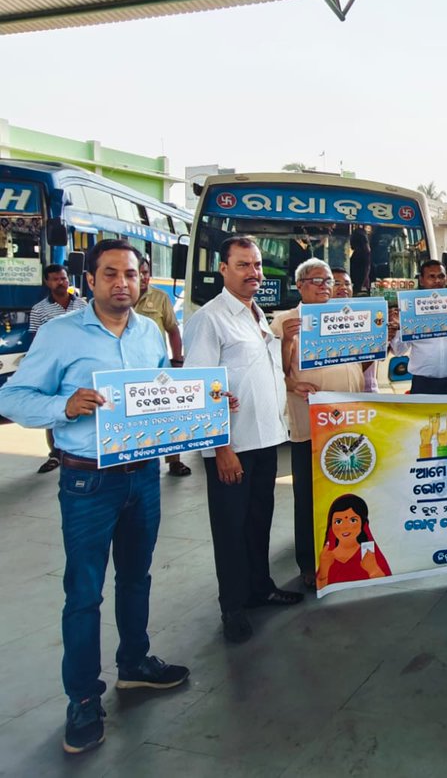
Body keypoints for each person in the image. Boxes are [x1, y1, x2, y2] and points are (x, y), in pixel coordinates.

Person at [0, 239, 189, 755]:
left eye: (130, 274)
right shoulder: (61, 334)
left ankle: (134, 664)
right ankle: (83, 698)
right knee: (83, 593)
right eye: (110, 274)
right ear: (91, 280)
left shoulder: (150, 333)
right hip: (88, 481)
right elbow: (11, 396)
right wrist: (65, 405)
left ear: (141, 280)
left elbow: (160, 396)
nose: (121, 283)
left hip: (143, 474)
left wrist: (206, 406)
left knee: (136, 576)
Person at [183, 236, 300, 645]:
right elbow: (198, 387)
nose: (255, 272)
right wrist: (221, 449)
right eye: (244, 265)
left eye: (258, 265)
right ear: (224, 269)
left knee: (257, 521)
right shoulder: (210, 318)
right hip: (233, 447)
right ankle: (232, 607)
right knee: (230, 529)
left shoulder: (257, 315)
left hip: (266, 440)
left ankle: (259, 587)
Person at [270, 258, 368, 591]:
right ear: (299, 285)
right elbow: (273, 372)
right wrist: (285, 343)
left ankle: (351, 554)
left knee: (348, 492)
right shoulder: (284, 322)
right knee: (308, 497)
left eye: (329, 281)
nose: (326, 286)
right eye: (317, 280)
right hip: (308, 424)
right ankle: (308, 563)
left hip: (350, 422)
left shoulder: (348, 318)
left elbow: (361, 362)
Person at [133, 256, 191, 477]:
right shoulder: (120, 300)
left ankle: (174, 460)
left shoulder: (159, 298)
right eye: (138, 272)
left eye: (146, 272)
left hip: (159, 368)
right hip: (130, 371)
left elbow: (173, 330)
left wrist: (177, 360)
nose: (143, 277)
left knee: (169, 414)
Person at [28, 263, 88, 474]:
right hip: (54, 367)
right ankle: (55, 454)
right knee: (55, 408)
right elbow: (37, 342)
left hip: (81, 365)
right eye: (55, 279)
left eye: (63, 278)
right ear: (47, 282)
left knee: (82, 406)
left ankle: (79, 450)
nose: (60, 282)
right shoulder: (39, 310)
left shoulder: (82, 306)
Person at [391, 259, 447, 394]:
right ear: (421, 280)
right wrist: (397, 330)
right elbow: (399, 351)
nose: (437, 280)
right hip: (423, 384)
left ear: (446, 279)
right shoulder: (410, 310)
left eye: (441, 276)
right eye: (431, 276)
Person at [316, 494, 392, 590]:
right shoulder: (327, 556)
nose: (345, 527)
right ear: (331, 525)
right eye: (338, 521)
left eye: (353, 520)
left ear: (363, 523)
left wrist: (373, 569)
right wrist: (324, 569)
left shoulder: (369, 556)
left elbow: (386, 587)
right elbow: (320, 590)